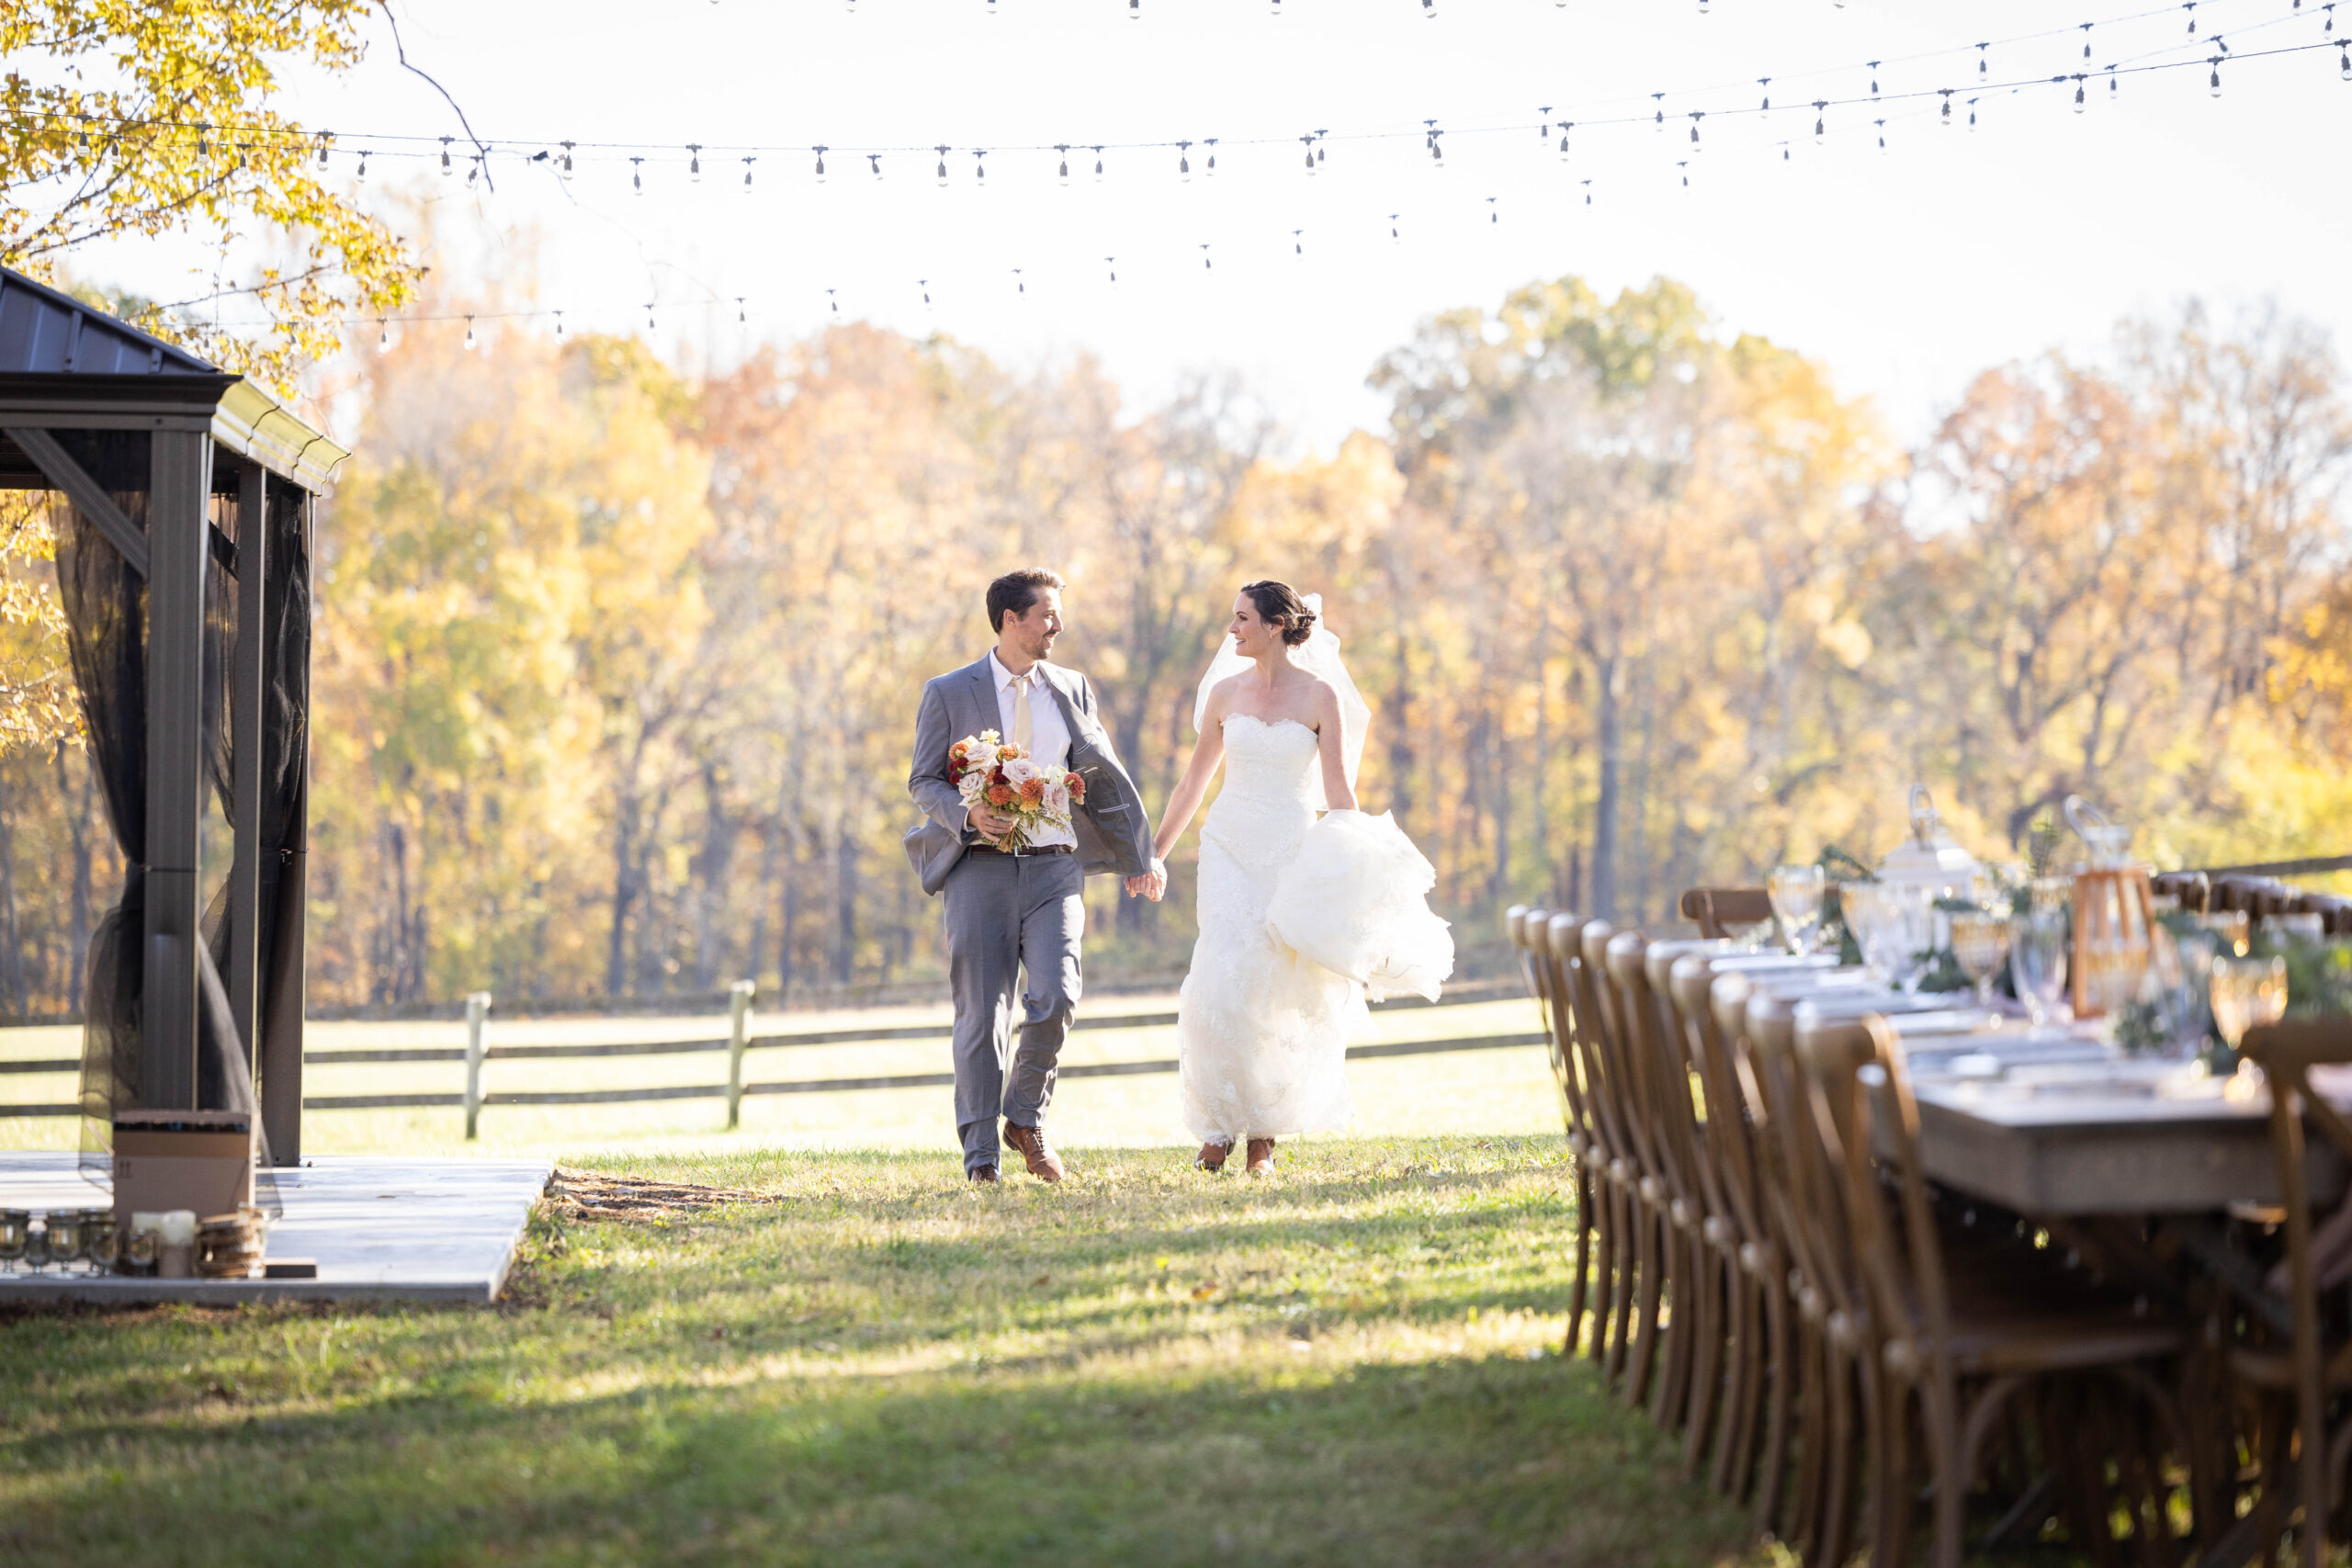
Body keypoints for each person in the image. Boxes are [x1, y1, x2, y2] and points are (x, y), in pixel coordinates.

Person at [1144, 581, 1453, 1174]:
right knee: (1221, 976)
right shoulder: (1223, 694)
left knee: (1274, 984)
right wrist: (1154, 854)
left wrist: (1362, 859)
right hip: (1228, 846)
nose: (1231, 630)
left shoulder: (1319, 697)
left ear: (1276, 625)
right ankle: (1216, 1126)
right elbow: (1192, 783)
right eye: (1232, 619)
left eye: (1241, 619)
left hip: (1288, 850)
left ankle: (1263, 1134)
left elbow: (1339, 792)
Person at [905, 569, 1159, 1184]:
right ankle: (981, 1157)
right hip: (977, 869)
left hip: (1056, 867)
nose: (1059, 625)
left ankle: (1024, 1118)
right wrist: (967, 813)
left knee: (1058, 994)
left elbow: (1101, 773)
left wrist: (1137, 855)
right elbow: (923, 780)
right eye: (1048, 613)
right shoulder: (947, 690)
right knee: (982, 1014)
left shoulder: (1072, 687)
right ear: (1010, 619)